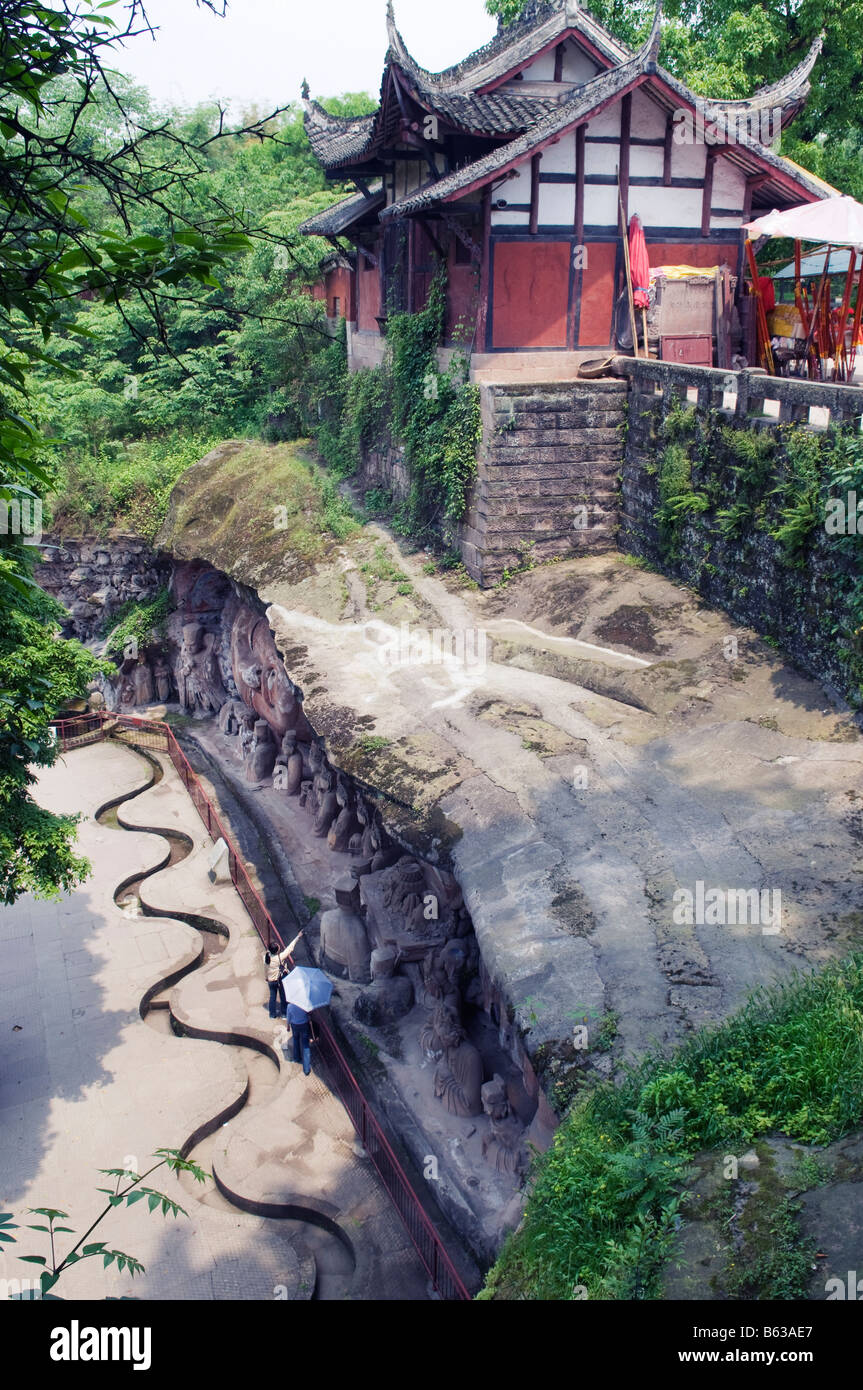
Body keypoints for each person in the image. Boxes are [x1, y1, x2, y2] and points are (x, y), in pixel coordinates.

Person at [264, 940, 291, 1019]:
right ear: (277, 950)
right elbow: (289, 948)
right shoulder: (280, 957)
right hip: (279, 980)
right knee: (283, 996)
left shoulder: (266, 957)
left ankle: (272, 1015)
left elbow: (265, 969)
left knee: (272, 997)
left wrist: (266, 977)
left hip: (270, 980)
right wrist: (297, 937)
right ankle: (284, 1014)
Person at [287, 1001, 312, 1075]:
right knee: (305, 1045)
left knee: (296, 1040)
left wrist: (288, 1026)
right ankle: (306, 1069)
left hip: (294, 1025)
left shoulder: (290, 1006)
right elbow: (308, 1014)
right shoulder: (304, 1004)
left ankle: (296, 1058)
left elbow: (289, 1017)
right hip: (304, 1025)